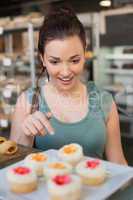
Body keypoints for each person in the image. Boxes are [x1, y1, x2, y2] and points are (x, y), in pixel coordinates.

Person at [10, 5, 127, 165]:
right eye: (55, 61)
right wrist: (27, 136)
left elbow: (119, 163)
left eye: (74, 60)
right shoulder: (27, 103)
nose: (65, 72)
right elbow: (13, 169)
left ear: (84, 53)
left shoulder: (104, 101)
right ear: (43, 58)